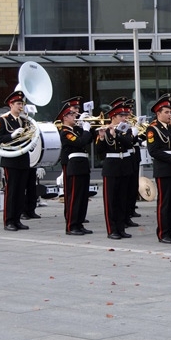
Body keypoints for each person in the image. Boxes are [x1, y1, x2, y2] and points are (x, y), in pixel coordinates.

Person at [146, 94, 171, 244]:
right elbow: (153, 151)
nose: (170, 115)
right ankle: (163, 233)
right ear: (158, 113)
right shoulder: (153, 129)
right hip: (164, 169)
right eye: (167, 112)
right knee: (165, 202)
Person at [0, 91, 32, 232]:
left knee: (21, 192)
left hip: (23, 159)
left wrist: (31, 143)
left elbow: (29, 137)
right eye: (18, 104)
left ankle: (17, 219)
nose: (21, 106)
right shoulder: (3, 120)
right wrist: (11, 136)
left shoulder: (25, 121)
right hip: (10, 160)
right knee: (12, 191)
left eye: (22, 104)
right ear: (11, 105)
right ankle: (9, 221)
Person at [95, 101, 134, 240]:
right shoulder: (105, 130)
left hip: (124, 166)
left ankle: (121, 228)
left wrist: (117, 134)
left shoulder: (126, 130)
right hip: (111, 167)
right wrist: (101, 137)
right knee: (111, 201)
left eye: (125, 115)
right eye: (121, 116)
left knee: (122, 199)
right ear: (113, 117)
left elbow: (129, 143)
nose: (124, 118)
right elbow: (99, 152)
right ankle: (112, 230)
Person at [57, 102, 93, 235]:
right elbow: (80, 142)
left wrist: (88, 127)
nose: (75, 116)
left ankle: (79, 223)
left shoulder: (76, 130)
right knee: (74, 196)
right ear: (65, 117)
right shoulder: (65, 132)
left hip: (82, 164)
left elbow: (89, 139)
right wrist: (86, 130)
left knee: (83, 196)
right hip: (73, 165)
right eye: (72, 114)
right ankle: (71, 225)